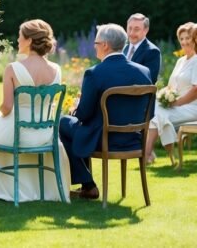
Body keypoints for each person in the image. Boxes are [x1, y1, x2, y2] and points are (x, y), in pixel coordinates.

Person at [0, 19, 71, 202]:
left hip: (19, 134)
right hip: (46, 135)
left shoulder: (13, 69)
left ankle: (1, 188)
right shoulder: (56, 70)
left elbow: (7, 107)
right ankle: (39, 189)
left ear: (29, 41)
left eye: (20, 37)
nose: (17, 40)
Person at [59, 24, 152, 200]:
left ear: (105, 45)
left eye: (96, 42)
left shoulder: (95, 73)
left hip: (103, 139)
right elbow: (149, 111)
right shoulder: (144, 71)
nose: (94, 46)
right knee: (77, 126)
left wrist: (76, 108)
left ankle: (88, 184)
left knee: (63, 123)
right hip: (134, 139)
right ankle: (87, 185)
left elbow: (83, 115)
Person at [145, 22, 197, 164]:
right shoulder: (180, 61)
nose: (184, 41)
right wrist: (164, 97)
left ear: (195, 39)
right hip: (177, 104)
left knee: (158, 114)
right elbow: (171, 85)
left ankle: (147, 154)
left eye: (188, 38)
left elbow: (195, 90)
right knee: (152, 109)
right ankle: (149, 154)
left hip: (192, 107)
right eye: (182, 38)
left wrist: (176, 102)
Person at [123, 13, 161, 84]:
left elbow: (149, 80)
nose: (131, 33)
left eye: (136, 29)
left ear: (145, 31)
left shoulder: (152, 51)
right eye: (129, 28)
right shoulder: (124, 48)